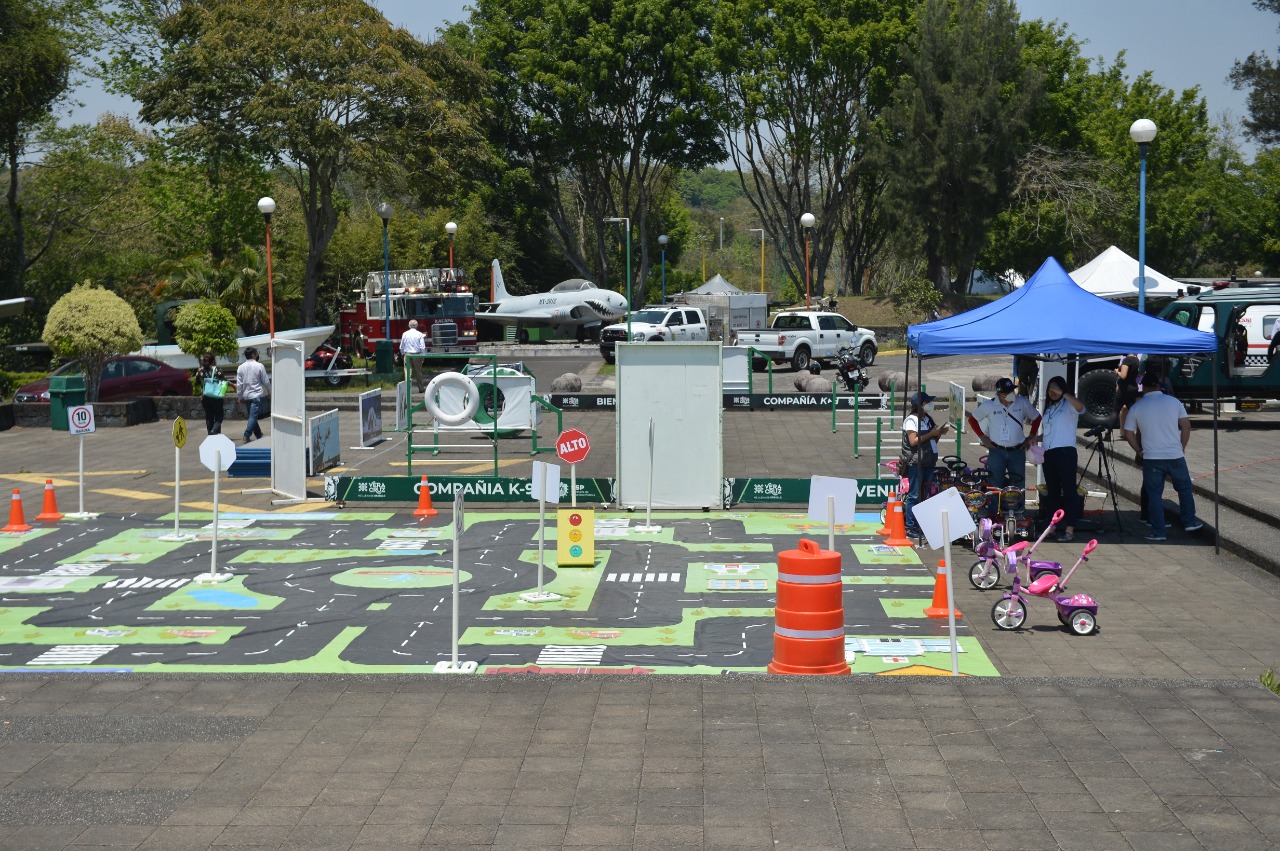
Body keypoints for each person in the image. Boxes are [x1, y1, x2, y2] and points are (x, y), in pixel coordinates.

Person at [1123, 371, 1202, 542]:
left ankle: (1158, 531)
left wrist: (1139, 451)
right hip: (1175, 455)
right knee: (1184, 489)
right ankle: (1189, 521)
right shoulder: (1174, 402)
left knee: (1154, 495)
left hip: (1151, 457)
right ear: (1159, 385)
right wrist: (1182, 447)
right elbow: (1186, 426)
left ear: (1143, 387)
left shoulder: (1137, 406)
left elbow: (1128, 433)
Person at [966, 377, 1041, 520]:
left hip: (1017, 450)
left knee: (1018, 483)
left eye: (1012, 390)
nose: (1011, 393)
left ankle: (1018, 513)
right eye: (1007, 392)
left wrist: (1031, 436)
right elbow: (972, 419)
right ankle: (994, 514)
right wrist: (983, 437)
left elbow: (1037, 417)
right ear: (1000, 393)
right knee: (995, 483)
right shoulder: (989, 405)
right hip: (997, 450)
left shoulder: (1021, 402)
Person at [1035, 376, 1084, 542]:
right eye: (1050, 388)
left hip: (1065, 452)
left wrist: (1064, 394)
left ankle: (1070, 528)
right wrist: (1035, 438)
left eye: (1056, 388)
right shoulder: (1049, 408)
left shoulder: (1068, 404)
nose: (1052, 392)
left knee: (1069, 490)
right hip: (1049, 453)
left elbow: (1081, 407)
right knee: (1052, 491)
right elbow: (1049, 432)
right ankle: (1052, 526)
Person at [901, 391, 949, 540]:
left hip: (929, 460)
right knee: (914, 495)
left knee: (925, 494)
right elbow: (913, 441)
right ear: (920, 405)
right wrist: (931, 433)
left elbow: (932, 439)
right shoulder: (911, 420)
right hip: (917, 462)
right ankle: (910, 527)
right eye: (927, 402)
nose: (930, 405)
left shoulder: (927, 418)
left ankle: (920, 523)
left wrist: (938, 433)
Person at [236, 347, 270, 445]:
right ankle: (246, 435)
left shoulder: (240, 367)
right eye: (256, 353)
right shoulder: (259, 366)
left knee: (252, 416)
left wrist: (240, 397)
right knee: (253, 416)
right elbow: (266, 381)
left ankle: (259, 434)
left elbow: (239, 384)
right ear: (253, 355)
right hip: (256, 395)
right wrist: (270, 392)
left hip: (247, 396)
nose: (257, 354)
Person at [195, 352, 227, 436]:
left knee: (209, 416)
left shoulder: (199, 370)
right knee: (219, 415)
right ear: (213, 361)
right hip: (216, 397)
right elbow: (224, 381)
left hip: (205, 396)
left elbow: (197, 382)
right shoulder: (217, 370)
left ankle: (210, 434)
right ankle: (215, 429)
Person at [1114, 353, 1142, 429]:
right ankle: (1138, 431)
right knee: (1132, 411)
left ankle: (1109, 433)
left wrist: (1117, 372)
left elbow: (1123, 376)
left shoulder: (1127, 360)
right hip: (1134, 387)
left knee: (1115, 411)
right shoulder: (1137, 360)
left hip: (1124, 388)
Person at [400, 319, 427, 392]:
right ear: (417, 326)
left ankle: (407, 389)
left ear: (409, 326)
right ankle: (421, 388)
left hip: (407, 354)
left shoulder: (405, 334)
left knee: (408, 372)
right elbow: (422, 347)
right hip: (417, 354)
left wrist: (403, 354)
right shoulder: (419, 334)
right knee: (418, 372)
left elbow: (401, 346)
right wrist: (423, 355)